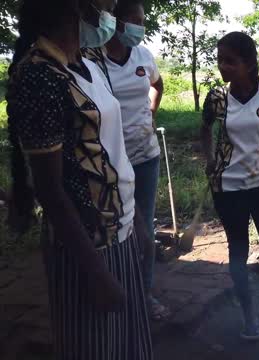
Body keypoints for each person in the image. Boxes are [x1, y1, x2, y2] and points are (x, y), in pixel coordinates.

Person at [6, 0, 153, 359]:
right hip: (86, 247)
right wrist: (97, 276)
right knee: (95, 347)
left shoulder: (91, 61)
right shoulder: (39, 76)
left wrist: (138, 226)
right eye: (106, 2)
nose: (112, 8)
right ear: (77, 7)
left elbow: (111, 151)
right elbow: (51, 191)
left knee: (128, 345)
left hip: (121, 230)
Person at [201, 31, 259, 340]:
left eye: (230, 61)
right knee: (237, 254)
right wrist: (209, 159)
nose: (223, 67)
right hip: (228, 190)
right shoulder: (217, 97)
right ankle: (250, 318)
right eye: (220, 61)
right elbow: (204, 128)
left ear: (249, 63)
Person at [83, 0, 169, 321]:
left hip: (145, 156)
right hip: (109, 163)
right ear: (115, 22)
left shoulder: (144, 56)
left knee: (144, 225)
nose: (140, 27)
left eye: (142, 21)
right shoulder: (95, 60)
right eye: (134, 20)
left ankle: (144, 294)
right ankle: (114, 292)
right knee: (115, 230)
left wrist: (151, 111)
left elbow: (157, 85)